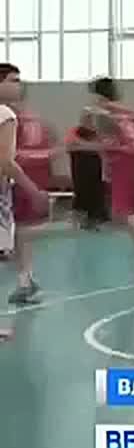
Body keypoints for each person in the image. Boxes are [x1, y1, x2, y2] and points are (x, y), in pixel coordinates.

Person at [88, 77, 134, 271]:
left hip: (122, 160)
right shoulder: (129, 113)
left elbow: (107, 141)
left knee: (122, 210)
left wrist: (93, 149)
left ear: (98, 95)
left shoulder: (102, 114)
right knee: (124, 210)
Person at [0, 65, 47, 341]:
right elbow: (5, 161)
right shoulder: (5, 115)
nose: (18, 85)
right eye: (12, 80)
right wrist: (33, 190)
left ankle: (25, 280)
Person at [66, 111, 107, 230]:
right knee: (80, 195)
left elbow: (102, 147)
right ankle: (77, 222)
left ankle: (93, 222)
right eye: (86, 117)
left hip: (95, 170)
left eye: (90, 117)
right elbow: (69, 146)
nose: (88, 120)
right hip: (80, 170)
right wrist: (90, 146)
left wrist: (80, 145)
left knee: (96, 195)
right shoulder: (75, 131)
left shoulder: (97, 133)